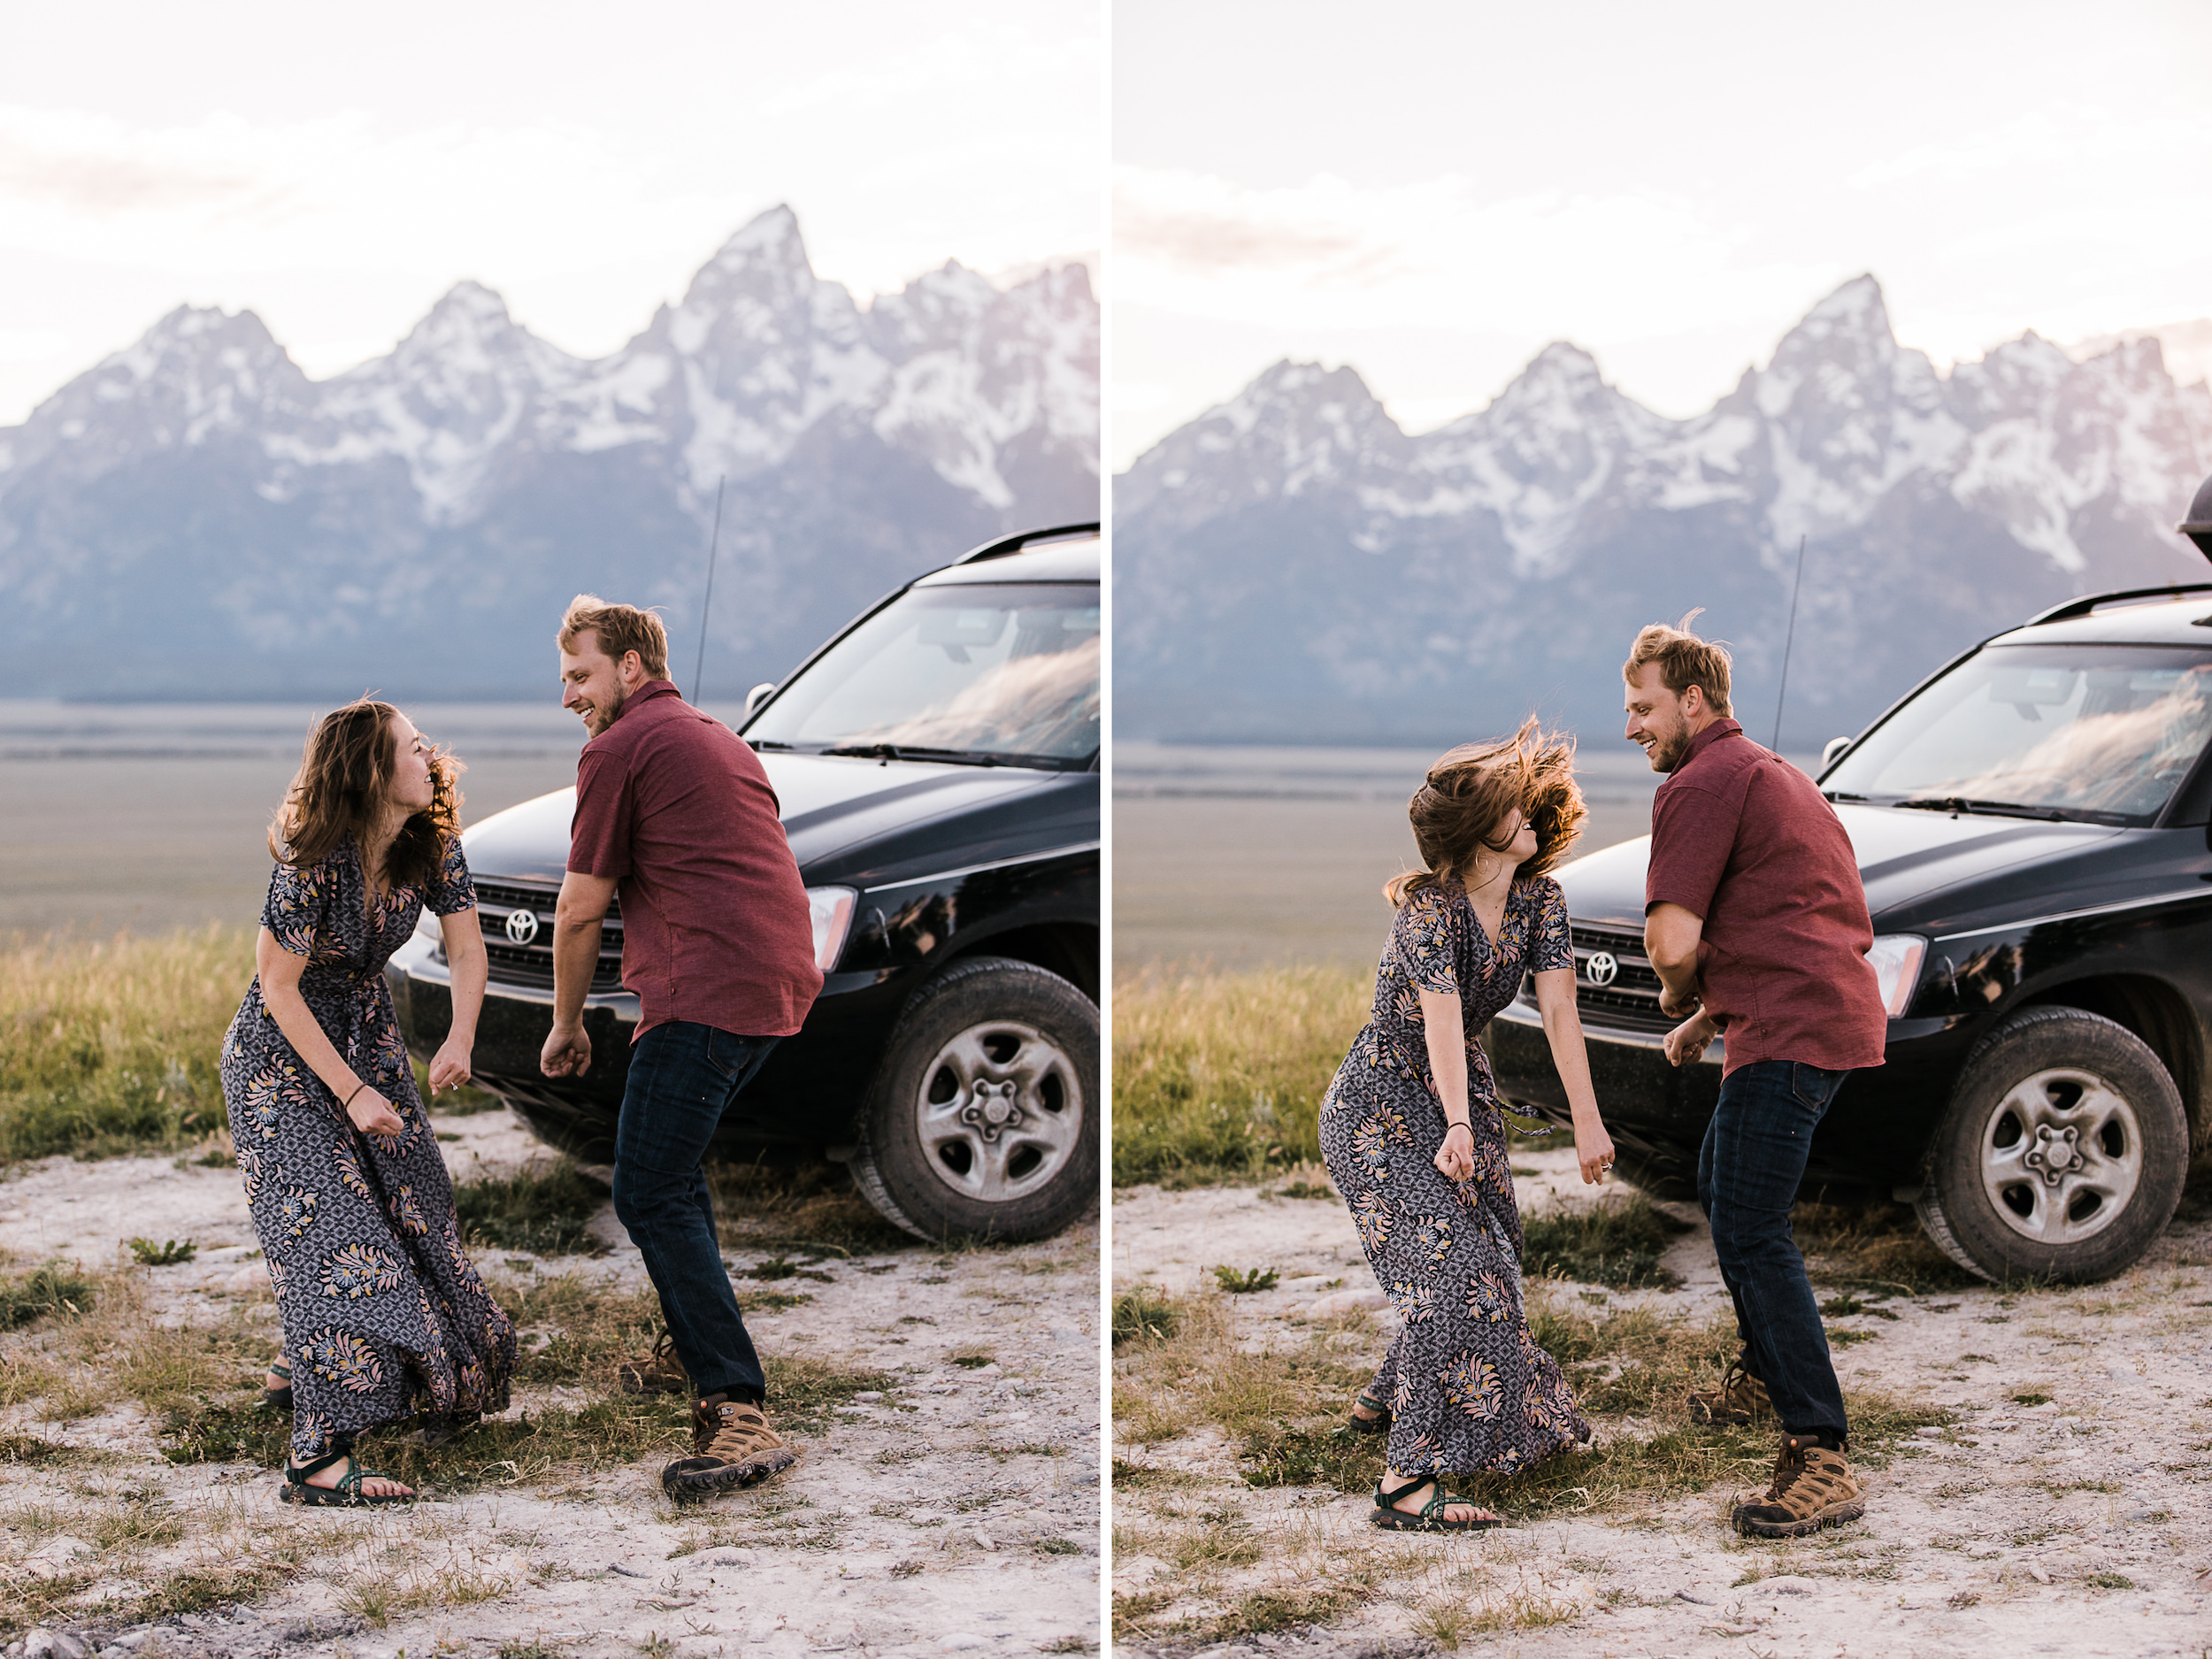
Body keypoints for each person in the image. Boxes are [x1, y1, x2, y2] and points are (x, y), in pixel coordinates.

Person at [539, 595, 824, 1501]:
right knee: (672, 1168)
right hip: (773, 987)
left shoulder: (620, 748)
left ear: (631, 665)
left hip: (708, 991)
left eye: (580, 675)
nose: (571, 697)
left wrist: (567, 1022)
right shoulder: (715, 736)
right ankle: (694, 1345)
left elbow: (581, 907)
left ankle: (737, 1407)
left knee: (646, 1185)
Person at [1624, 613, 1887, 1540]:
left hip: (1791, 1032)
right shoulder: (1778, 775)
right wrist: (1709, 1015)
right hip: (1822, 1015)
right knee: (1720, 1186)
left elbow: (1671, 938)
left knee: (1748, 1225)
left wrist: (1676, 985)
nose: (1632, 727)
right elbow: (1794, 916)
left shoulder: (1699, 782)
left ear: (1690, 700)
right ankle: (1760, 1372)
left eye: (1642, 706)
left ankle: (1819, 1455)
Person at [1319, 718, 1618, 1531]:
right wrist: (1455, 1123)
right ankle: (1407, 1483)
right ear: (1479, 833)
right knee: (1452, 1280)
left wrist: (1588, 1124)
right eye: (1512, 804)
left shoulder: (1540, 902)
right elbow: (1443, 1027)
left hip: (1462, 1104)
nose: (1530, 812)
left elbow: (1561, 1015)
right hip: (1380, 1109)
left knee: (1493, 1260)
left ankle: (1387, 1397)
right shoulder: (1428, 915)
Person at [222, 701, 514, 1506]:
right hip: (281, 1061)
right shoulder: (313, 858)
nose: (431, 757)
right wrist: (347, 1093)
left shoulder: (433, 844)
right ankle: (317, 1460)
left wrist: (460, 1036)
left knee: (420, 1205)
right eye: (412, 748)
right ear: (373, 772)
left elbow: (465, 944)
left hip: (369, 1040)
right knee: (341, 1241)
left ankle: (308, 1366)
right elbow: (278, 988)